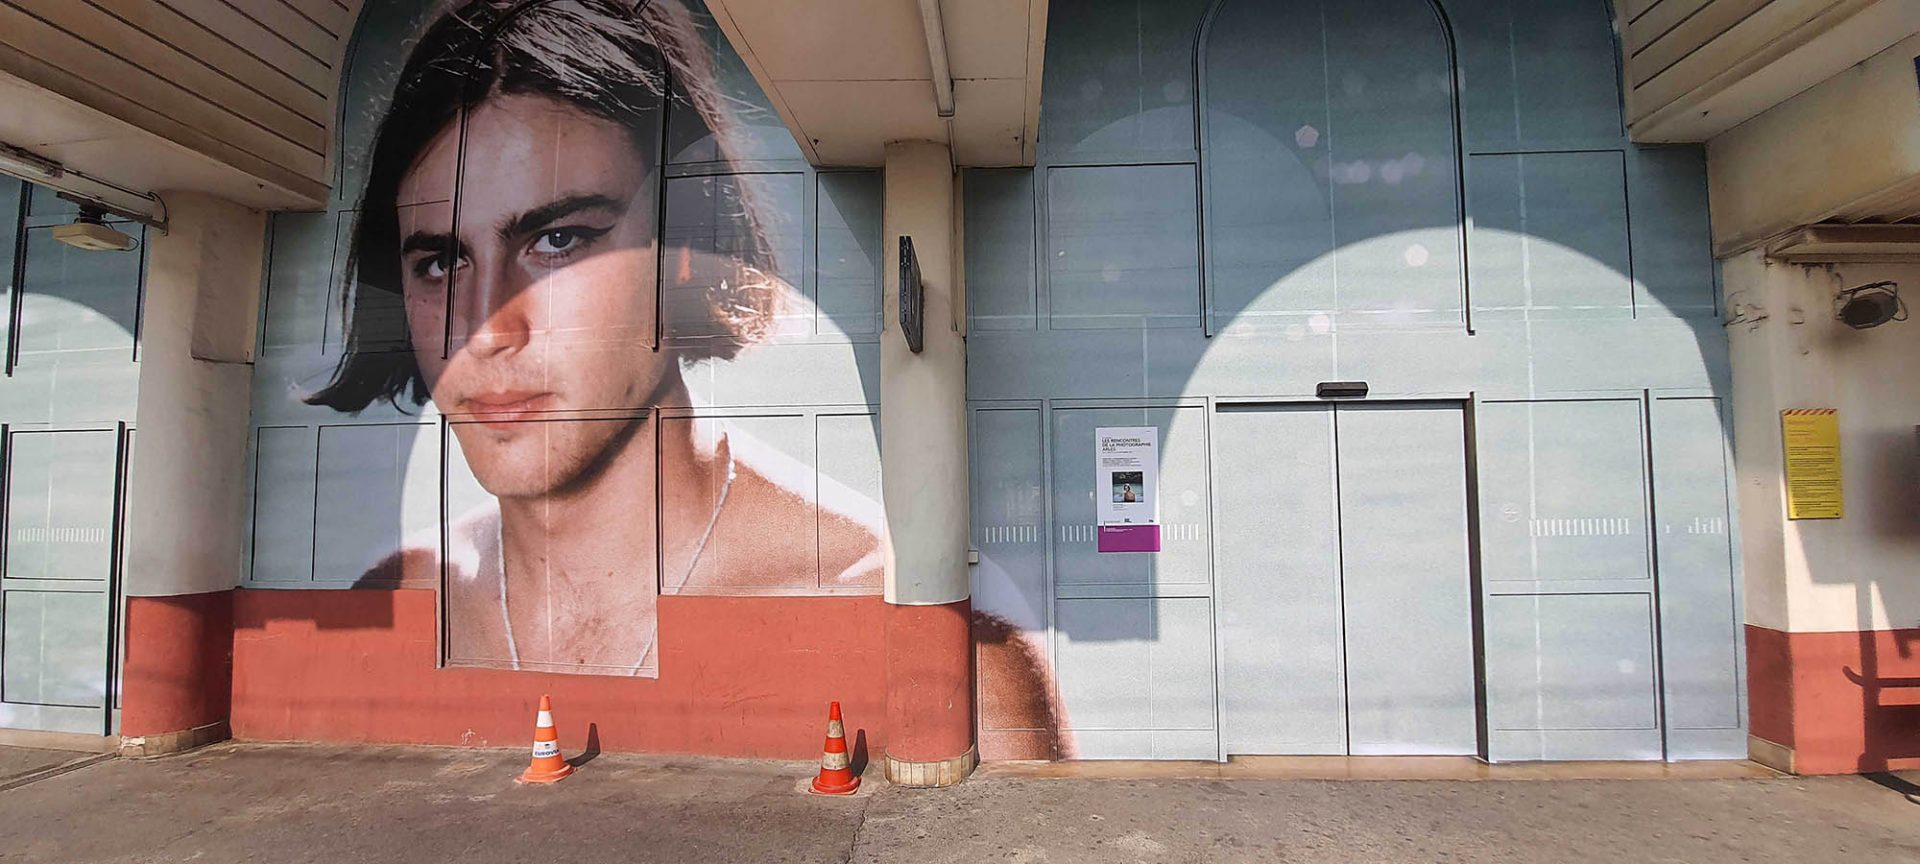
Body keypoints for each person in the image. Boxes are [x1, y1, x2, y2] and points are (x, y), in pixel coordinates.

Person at [312, 0, 885, 676]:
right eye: (440, 262)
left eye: (558, 240)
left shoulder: (859, 594)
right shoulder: (398, 596)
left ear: (684, 248)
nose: (486, 330)